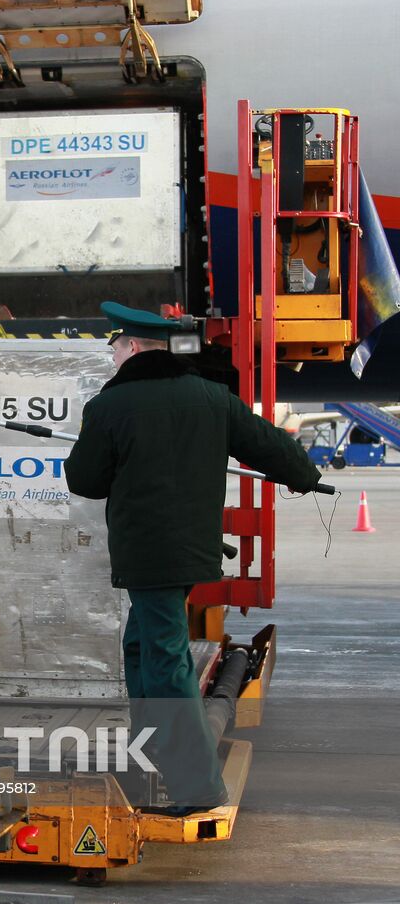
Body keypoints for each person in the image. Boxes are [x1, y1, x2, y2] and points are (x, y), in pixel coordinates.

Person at [63, 302, 321, 815]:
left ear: (133, 348)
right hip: (191, 551)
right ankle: (152, 744)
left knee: (164, 661)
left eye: (115, 347)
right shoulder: (211, 398)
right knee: (141, 644)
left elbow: (84, 480)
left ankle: (195, 784)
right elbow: (270, 446)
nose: (112, 356)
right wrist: (306, 476)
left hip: (149, 554)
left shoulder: (111, 406)